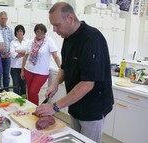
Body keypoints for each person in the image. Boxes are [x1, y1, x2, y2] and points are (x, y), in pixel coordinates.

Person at [35, 2, 114, 143]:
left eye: (57, 25)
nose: (54, 29)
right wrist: (55, 83)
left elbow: (87, 84)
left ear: (70, 18)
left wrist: (54, 106)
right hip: (75, 103)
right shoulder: (68, 38)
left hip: (93, 107)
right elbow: (65, 67)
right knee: (76, 140)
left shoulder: (92, 39)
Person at [21, 23, 60, 105]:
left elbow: (55, 56)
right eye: (38, 31)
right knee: (29, 92)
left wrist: (61, 69)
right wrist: (22, 71)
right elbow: (25, 57)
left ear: (45, 33)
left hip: (42, 73)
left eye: (42, 32)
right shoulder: (31, 42)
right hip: (28, 70)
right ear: (35, 32)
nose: (40, 34)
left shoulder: (49, 41)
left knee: (33, 92)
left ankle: (36, 110)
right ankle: (30, 110)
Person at [0, 11, 15, 91]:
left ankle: (6, 91)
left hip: (7, 56)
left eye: (5, 18)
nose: (3, 20)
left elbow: (12, 42)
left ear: (7, 19)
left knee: (6, 75)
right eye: (2, 18)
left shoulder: (10, 29)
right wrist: (0, 54)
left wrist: (8, 53)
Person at [10, 25, 29, 96]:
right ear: (15, 33)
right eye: (18, 31)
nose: (19, 32)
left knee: (24, 87)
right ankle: (16, 103)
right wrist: (24, 53)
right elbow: (12, 54)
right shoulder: (13, 42)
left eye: (21, 31)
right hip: (15, 68)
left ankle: (24, 102)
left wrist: (18, 51)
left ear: (23, 32)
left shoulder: (28, 42)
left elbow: (29, 53)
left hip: (25, 68)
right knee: (16, 87)